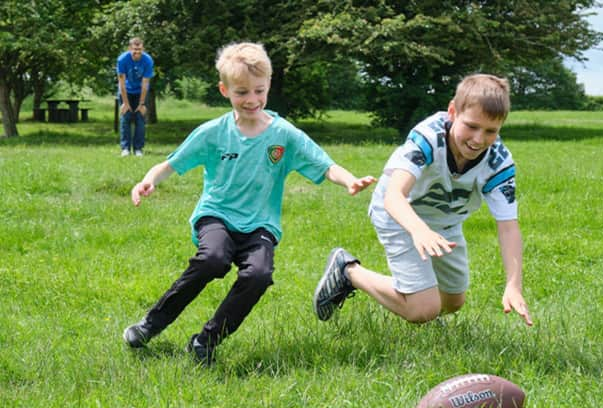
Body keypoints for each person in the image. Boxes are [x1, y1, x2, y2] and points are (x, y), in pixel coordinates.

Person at [122, 42, 376, 365]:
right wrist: (149, 180)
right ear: (224, 90)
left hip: (260, 224)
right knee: (213, 259)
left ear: (268, 85)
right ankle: (150, 325)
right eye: (242, 92)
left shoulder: (284, 135)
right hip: (216, 215)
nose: (252, 100)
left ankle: (205, 342)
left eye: (259, 90)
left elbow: (324, 164)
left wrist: (350, 180)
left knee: (258, 274)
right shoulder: (213, 132)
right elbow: (173, 163)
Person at [313, 74, 533, 328]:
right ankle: (349, 272)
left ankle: (417, 297)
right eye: (471, 126)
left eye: (491, 131)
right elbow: (393, 196)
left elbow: (508, 227)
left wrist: (513, 285)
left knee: (452, 302)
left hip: (445, 226)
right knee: (424, 309)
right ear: (452, 111)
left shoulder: (498, 163)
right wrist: (419, 230)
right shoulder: (429, 138)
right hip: (399, 215)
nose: (478, 139)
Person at [117, 37, 154, 157]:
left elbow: (145, 83)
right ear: (129, 49)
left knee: (140, 119)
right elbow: (121, 83)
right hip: (126, 91)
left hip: (141, 92)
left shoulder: (147, 60)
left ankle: (138, 149)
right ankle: (125, 148)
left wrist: (141, 103)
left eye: (139, 50)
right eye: (134, 50)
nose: (137, 52)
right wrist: (125, 103)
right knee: (125, 118)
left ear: (142, 48)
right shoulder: (122, 59)